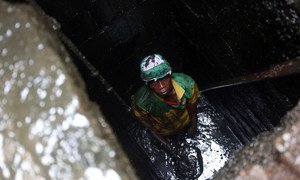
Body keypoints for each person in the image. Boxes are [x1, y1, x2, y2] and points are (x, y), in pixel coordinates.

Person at [131, 54, 200, 150]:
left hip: (185, 121)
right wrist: (163, 142)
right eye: (153, 82)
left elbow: (193, 109)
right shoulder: (142, 101)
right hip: (164, 130)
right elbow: (146, 122)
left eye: (163, 78)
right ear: (147, 84)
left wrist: (193, 124)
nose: (161, 86)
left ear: (170, 74)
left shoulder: (187, 83)